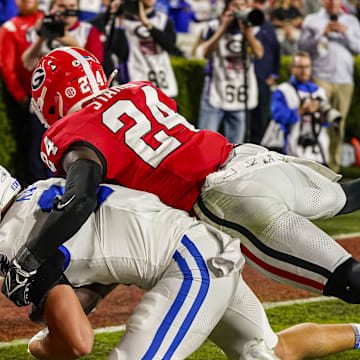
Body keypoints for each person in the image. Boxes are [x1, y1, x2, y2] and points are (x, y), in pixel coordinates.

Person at [4, 47, 360, 309]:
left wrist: (27, 260)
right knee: (349, 197)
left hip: (225, 197)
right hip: (254, 158)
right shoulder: (140, 89)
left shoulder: (70, 131)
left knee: (348, 279)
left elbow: (81, 200)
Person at [1, 166, 360, 360]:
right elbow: (105, 251)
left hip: (190, 267)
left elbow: (78, 344)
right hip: (205, 245)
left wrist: (40, 344)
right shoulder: (48, 184)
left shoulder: (10, 241)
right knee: (263, 352)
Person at [298, 0, 360, 172]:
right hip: (320, 78)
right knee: (317, 123)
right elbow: (301, 46)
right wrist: (321, 34)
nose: (333, 2)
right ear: (323, 1)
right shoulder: (312, 19)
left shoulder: (351, 21)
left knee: (337, 125)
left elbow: (358, 48)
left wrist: (345, 33)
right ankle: (315, 167)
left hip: (344, 81)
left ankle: (333, 169)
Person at [197, 0, 264, 144]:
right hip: (216, 89)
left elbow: (259, 53)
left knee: (236, 145)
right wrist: (222, 28)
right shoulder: (214, 25)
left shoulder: (252, 27)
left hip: (240, 93)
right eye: (235, 5)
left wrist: (248, 34)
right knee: (206, 141)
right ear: (227, 7)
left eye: (243, 5)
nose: (240, 9)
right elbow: (205, 52)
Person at [0, 0, 52, 185]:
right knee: (36, 150)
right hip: (33, 99)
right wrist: (21, 97)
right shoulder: (10, 28)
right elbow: (7, 67)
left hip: (59, 94)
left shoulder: (49, 21)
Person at [269, 51, 341, 165]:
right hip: (291, 152)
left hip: (318, 152)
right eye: (300, 67)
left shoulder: (319, 91)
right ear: (292, 68)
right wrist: (302, 110)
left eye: (307, 67)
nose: (304, 71)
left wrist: (324, 118)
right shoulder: (282, 90)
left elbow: (325, 123)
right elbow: (278, 117)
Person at [104, 0, 181, 98]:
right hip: (135, 84)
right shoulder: (122, 21)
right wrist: (119, 16)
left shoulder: (163, 19)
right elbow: (119, 52)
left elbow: (170, 46)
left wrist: (147, 23)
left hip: (164, 83)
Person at [21, 0, 104, 72]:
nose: (67, 10)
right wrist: (41, 36)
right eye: (62, 6)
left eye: (72, 6)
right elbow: (27, 64)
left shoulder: (88, 30)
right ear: (52, 8)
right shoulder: (36, 30)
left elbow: (96, 66)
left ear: (77, 8)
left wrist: (73, 44)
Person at [249, 0, 280, 145]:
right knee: (244, 117)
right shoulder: (239, 25)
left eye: (261, 3)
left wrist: (274, 74)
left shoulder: (268, 26)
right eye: (255, 2)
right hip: (244, 80)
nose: (258, 6)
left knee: (260, 117)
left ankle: (257, 150)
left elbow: (276, 50)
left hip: (262, 79)